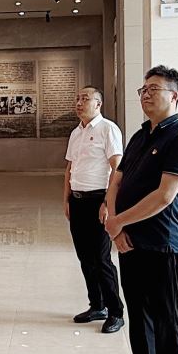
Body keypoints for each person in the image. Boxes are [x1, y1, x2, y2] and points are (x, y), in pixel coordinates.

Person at [103, 66, 178, 354]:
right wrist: (115, 224)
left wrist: (118, 222)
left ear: (174, 96)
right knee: (139, 315)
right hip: (129, 241)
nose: (145, 94)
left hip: (161, 244)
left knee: (166, 321)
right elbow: (118, 179)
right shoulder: (142, 135)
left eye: (154, 89)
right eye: (143, 89)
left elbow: (164, 196)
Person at [64, 85, 126, 333]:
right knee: (85, 257)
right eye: (77, 99)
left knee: (101, 259)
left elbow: (117, 168)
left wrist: (108, 204)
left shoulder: (108, 129)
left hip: (98, 200)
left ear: (98, 104)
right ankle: (97, 305)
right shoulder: (76, 133)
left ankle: (116, 312)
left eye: (85, 99)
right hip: (78, 201)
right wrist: (66, 199)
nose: (79, 103)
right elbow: (69, 168)